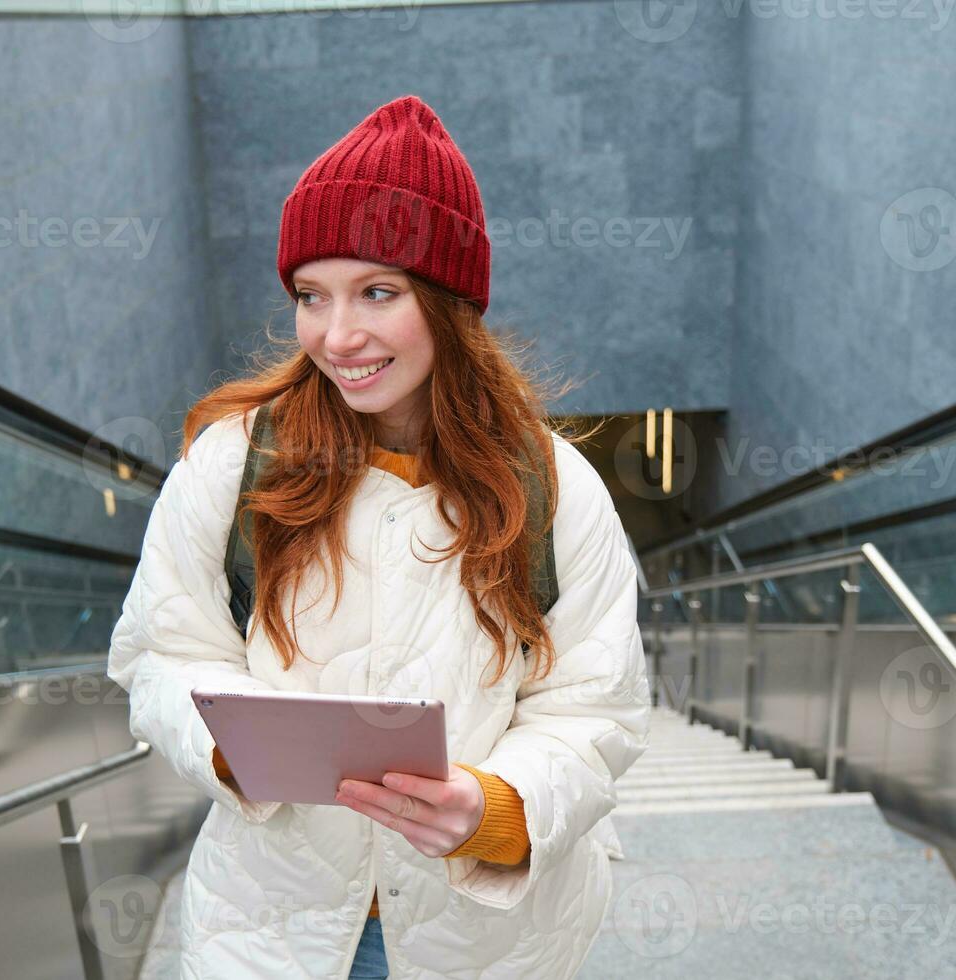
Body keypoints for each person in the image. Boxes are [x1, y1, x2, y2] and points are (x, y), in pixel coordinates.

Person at [106, 93, 650, 980]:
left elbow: (597, 710)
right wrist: (228, 747)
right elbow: (158, 655)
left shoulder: (556, 486)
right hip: (276, 921)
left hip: (483, 937)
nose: (337, 335)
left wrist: (496, 807)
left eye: (378, 292)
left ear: (449, 303)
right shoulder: (232, 463)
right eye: (310, 296)